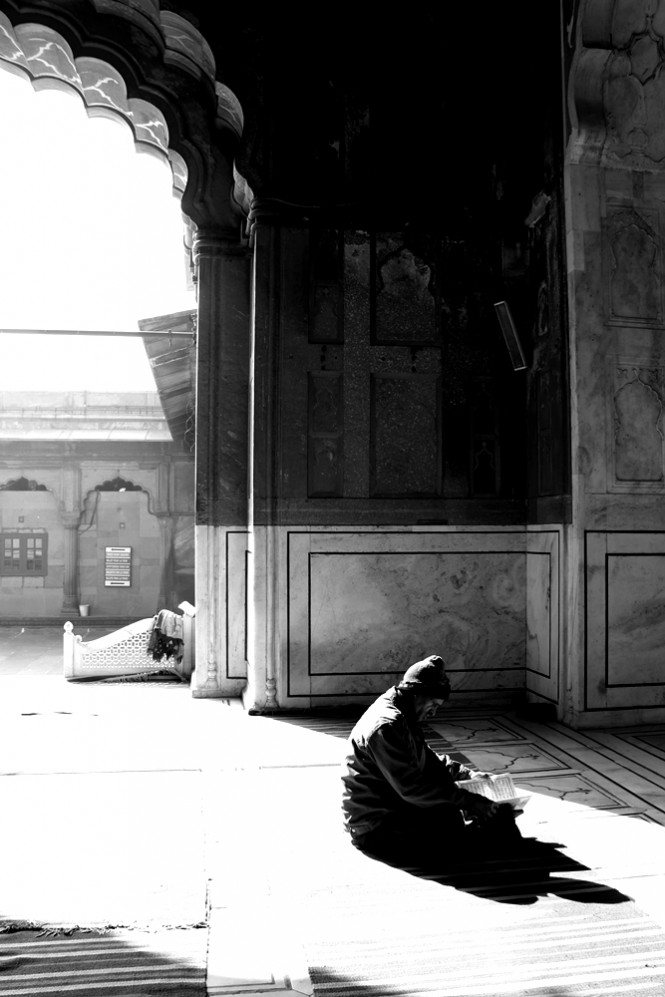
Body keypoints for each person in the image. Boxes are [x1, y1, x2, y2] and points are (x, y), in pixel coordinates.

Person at [341, 654, 522, 866]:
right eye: (433, 704)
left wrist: (470, 776)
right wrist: (469, 800)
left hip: (392, 806)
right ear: (417, 694)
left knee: (468, 814)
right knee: (452, 818)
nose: (434, 712)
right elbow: (412, 789)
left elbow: (428, 761)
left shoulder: (404, 711)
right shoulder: (387, 725)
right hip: (375, 825)